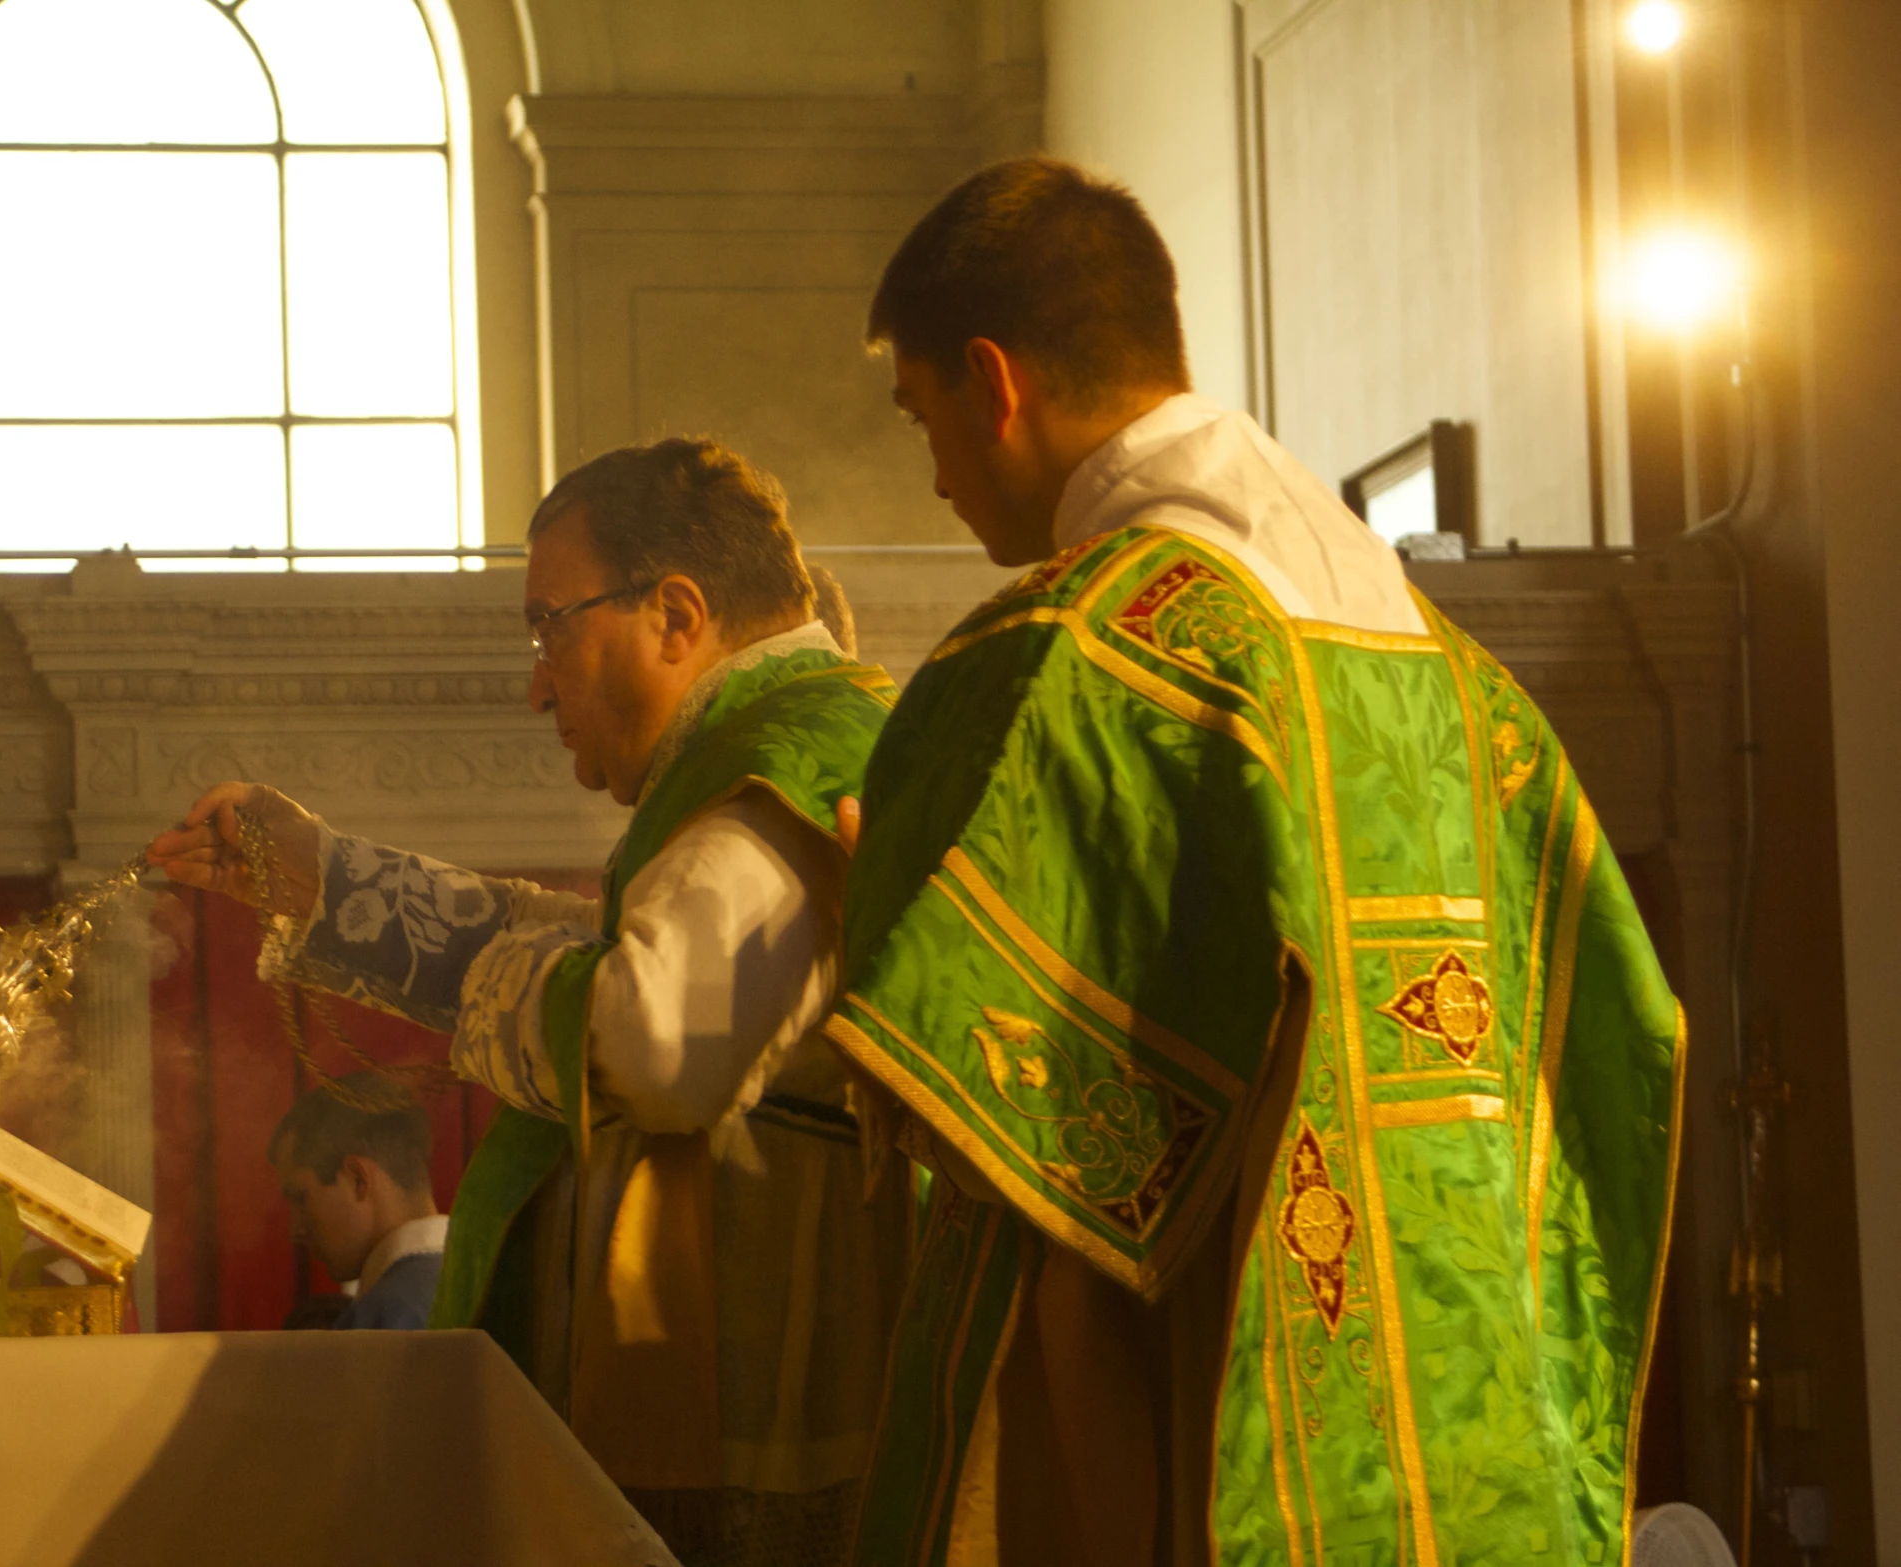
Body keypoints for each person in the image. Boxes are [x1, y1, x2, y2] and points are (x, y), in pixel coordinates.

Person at [825, 158, 1684, 1567]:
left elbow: (1049, 1182)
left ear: (994, 382)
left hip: (1201, 1426)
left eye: (924, 418)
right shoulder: (1461, 682)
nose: (932, 473)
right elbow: (1613, 1025)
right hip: (1474, 1438)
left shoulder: (1068, 658)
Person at [149, 438, 909, 1567]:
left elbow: (655, 1037)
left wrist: (483, 1000)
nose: (536, 680)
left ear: (677, 613)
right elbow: (606, 958)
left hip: (759, 1425)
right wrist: (331, 880)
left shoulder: (788, 757)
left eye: (550, 624)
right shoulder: (770, 748)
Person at [272, 1086, 447, 1331]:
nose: (295, 1230)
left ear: (357, 1179)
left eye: (301, 1198)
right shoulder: (492, 1281)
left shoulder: (387, 1314)